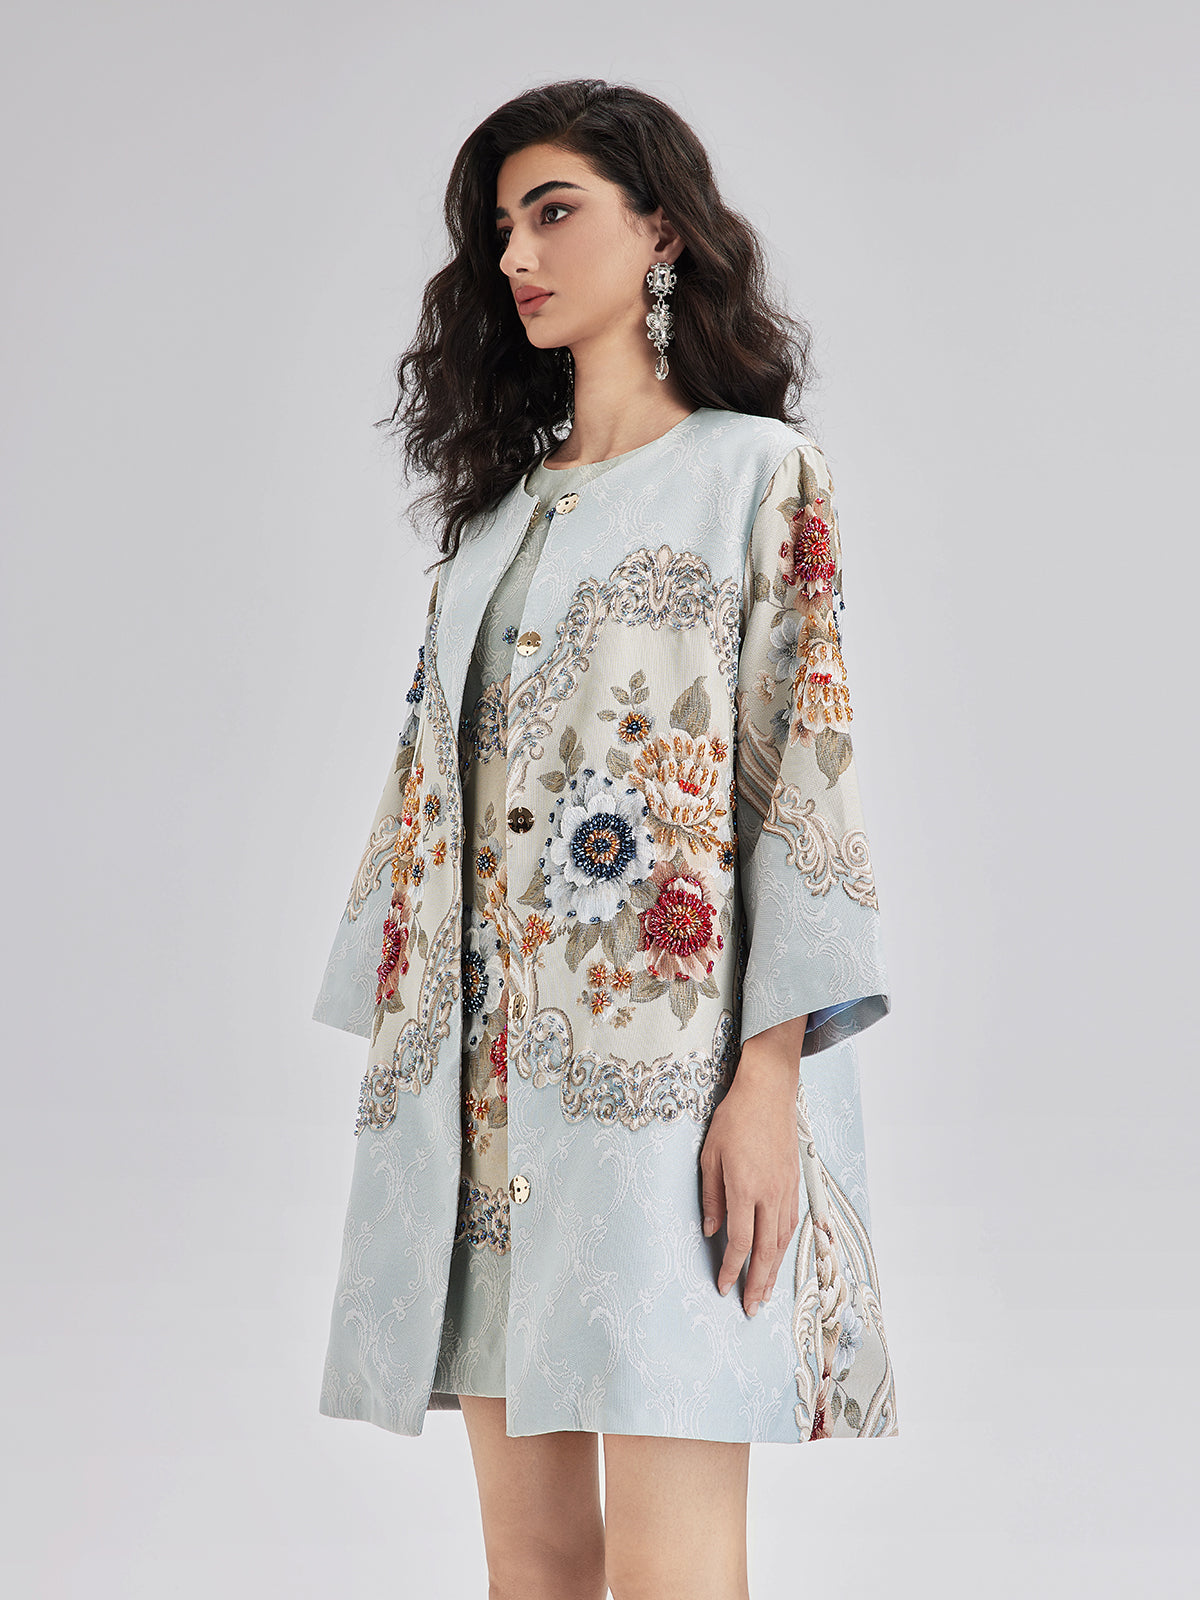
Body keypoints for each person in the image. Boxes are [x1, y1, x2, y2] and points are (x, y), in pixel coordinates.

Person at [312, 77, 898, 1600]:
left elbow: (803, 786)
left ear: (663, 233)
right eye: (502, 227)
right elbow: (429, 806)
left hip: (666, 1097)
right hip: (486, 1110)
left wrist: (767, 1082)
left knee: (675, 1562)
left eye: (554, 211)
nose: (518, 254)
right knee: (534, 1563)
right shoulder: (494, 526)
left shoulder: (755, 477)